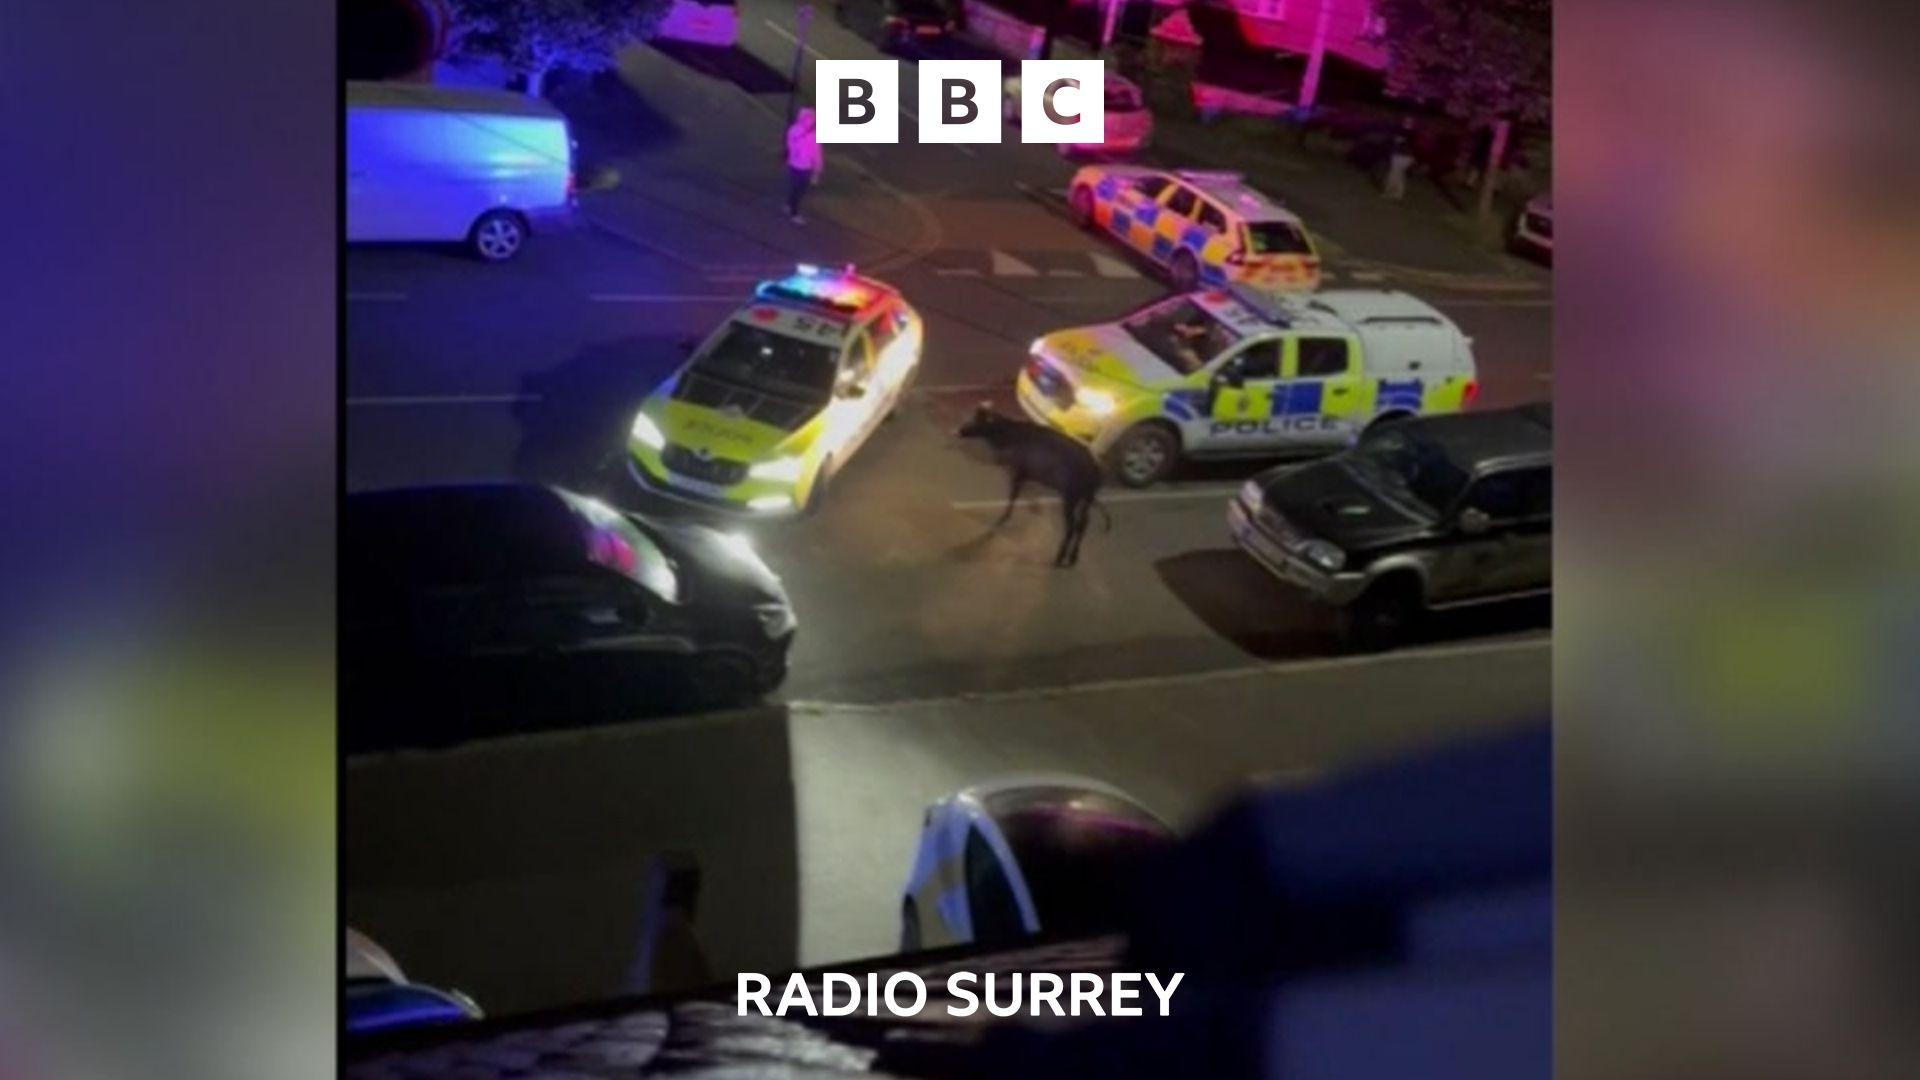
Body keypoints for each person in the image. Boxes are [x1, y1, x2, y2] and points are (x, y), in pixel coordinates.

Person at [785, 107, 823, 225]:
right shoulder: (795, 131)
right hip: (796, 165)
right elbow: (791, 146)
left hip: (805, 167)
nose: (811, 121)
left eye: (812, 119)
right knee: (798, 190)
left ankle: (790, 206)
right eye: (808, 119)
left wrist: (817, 170)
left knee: (798, 190)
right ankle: (794, 213)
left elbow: (817, 153)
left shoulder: (813, 135)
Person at [1383, 117, 1415, 201]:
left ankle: (1393, 193)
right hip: (1401, 155)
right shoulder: (1406, 132)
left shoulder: (1408, 133)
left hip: (1403, 156)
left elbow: (1400, 142)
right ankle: (1395, 193)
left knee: (1395, 174)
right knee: (1397, 174)